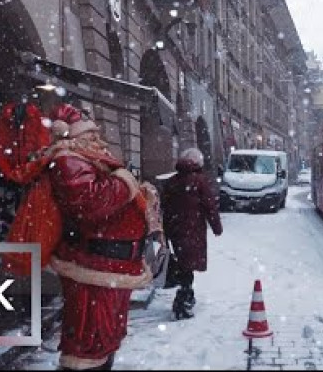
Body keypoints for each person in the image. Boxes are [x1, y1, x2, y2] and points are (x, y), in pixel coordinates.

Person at [45, 104, 152, 370]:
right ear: (75, 135)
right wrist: (125, 182)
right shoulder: (67, 159)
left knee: (103, 339)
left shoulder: (86, 158)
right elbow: (90, 202)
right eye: (91, 133)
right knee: (89, 342)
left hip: (108, 265)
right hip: (93, 265)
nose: (98, 138)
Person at [160, 147, 223, 320]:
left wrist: (166, 231)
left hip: (175, 230)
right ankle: (183, 299)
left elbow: (164, 206)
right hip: (193, 230)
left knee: (183, 262)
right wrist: (216, 227)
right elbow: (210, 206)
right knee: (188, 264)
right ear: (197, 163)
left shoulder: (172, 181)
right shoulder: (200, 181)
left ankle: (186, 294)